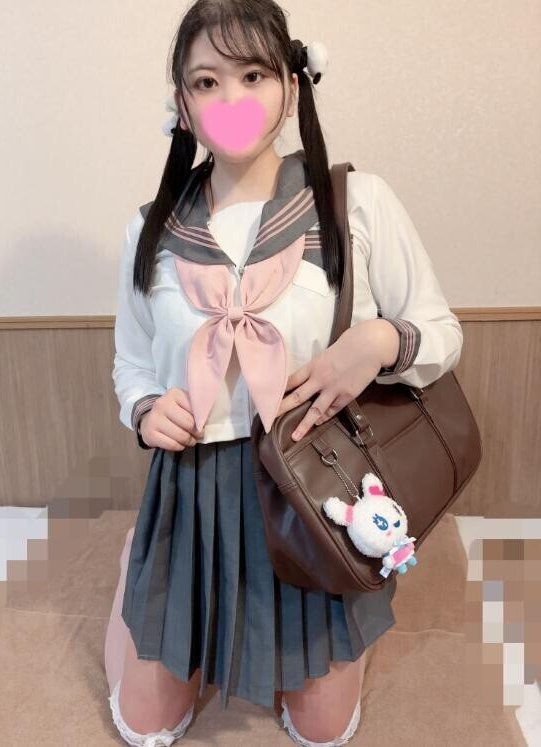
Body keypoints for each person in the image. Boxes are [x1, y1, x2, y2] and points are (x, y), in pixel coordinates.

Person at [104, 1, 464, 745]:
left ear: (292, 87)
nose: (231, 100)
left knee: (322, 730)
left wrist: (377, 341)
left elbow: (441, 333)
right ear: (182, 104)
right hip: (191, 489)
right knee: (144, 726)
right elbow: (132, 361)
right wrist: (143, 409)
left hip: (313, 485)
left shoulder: (355, 202)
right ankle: (141, 554)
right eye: (207, 81)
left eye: (253, 74)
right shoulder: (152, 228)